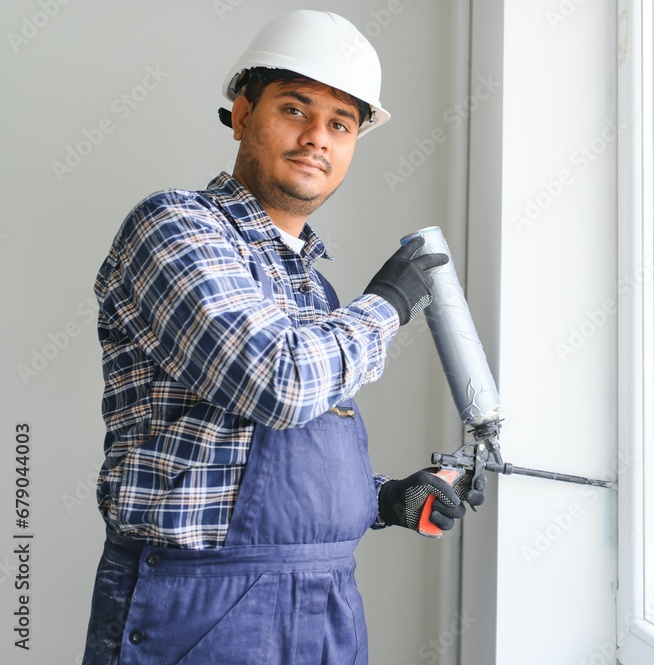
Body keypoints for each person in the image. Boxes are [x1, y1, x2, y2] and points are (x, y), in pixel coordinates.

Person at [82, 10, 484, 665]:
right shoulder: (176, 229)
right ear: (242, 115)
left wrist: (383, 498)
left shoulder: (313, 291)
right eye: (295, 109)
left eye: (340, 124)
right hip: (201, 610)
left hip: (325, 610)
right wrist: (388, 303)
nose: (316, 138)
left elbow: (272, 452)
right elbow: (277, 381)